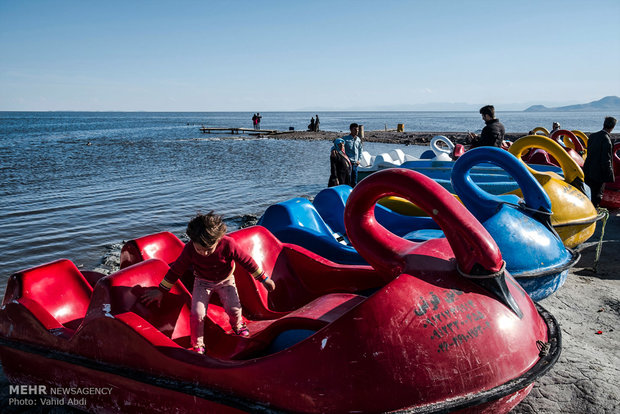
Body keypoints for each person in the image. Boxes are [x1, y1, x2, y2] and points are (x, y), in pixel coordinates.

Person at [141, 212, 276, 355]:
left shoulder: (228, 244)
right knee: (197, 314)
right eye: (200, 249)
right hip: (202, 283)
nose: (204, 253)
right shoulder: (190, 250)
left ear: (218, 239)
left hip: (226, 280)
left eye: (208, 250)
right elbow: (176, 270)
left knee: (233, 308)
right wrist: (161, 291)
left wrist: (264, 279)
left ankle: (238, 325)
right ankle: (197, 344)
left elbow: (247, 261)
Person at [583, 116, 616, 207]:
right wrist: (609, 175)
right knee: (597, 196)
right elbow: (606, 160)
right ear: (612, 127)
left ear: (604, 124)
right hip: (599, 174)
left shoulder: (593, 136)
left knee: (588, 194)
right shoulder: (606, 140)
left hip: (588, 170)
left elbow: (589, 154)